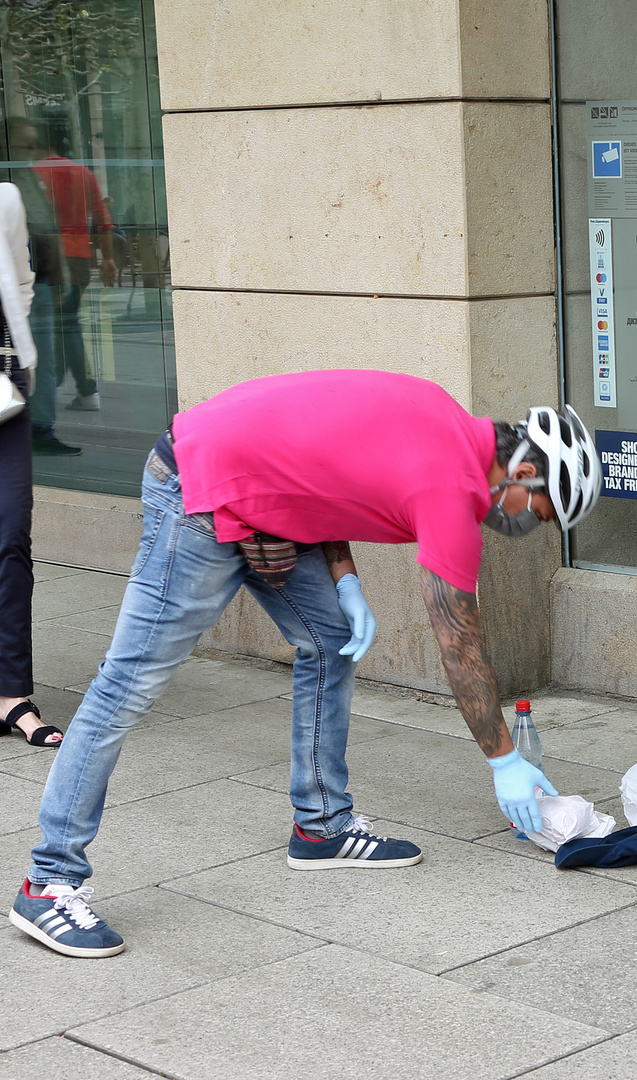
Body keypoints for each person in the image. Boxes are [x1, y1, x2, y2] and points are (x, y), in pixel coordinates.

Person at [8, 370, 602, 958]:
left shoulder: (438, 412)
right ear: (523, 472)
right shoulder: (451, 491)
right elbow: (458, 645)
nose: (528, 526)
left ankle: (321, 827)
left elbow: (326, 472)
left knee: (330, 638)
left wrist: (343, 577)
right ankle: (48, 881)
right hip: (197, 487)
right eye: (542, 512)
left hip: (253, 495)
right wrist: (505, 760)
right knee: (125, 688)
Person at [0, 174, 65, 749]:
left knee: (10, 532)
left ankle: (11, 694)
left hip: (3, 388)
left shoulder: (5, 199)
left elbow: (20, 281)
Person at [28, 121, 116, 416]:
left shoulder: (31, 174)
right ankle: (81, 388)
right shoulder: (82, 172)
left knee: (52, 327)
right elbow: (103, 219)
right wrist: (108, 259)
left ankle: (75, 388)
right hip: (79, 258)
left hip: (44, 259)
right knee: (67, 323)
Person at [5, 116, 76, 457]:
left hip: (39, 282)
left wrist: (60, 275)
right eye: (25, 144)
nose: (32, 150)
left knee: (42, 358)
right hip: (18, 290)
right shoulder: (8, 186)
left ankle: (40, 427)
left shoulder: (28, 179)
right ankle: (27, 424)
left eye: (34, 143)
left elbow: (48, 231)